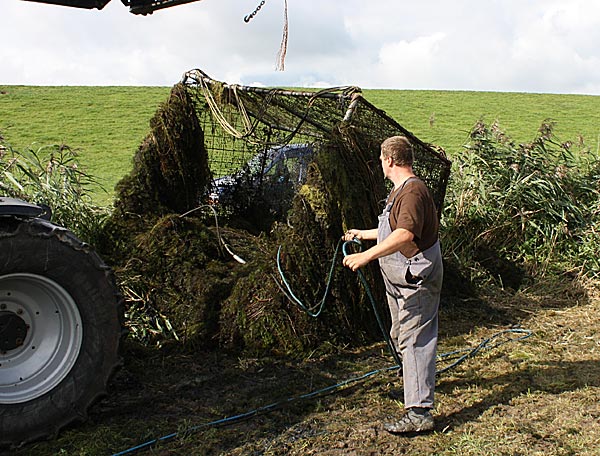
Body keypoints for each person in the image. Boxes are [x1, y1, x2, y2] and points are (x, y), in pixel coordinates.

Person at [342, 135, 443, 434]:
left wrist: (366, 256)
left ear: (389, 160)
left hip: (415, 279)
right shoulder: (399, 190)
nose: (380, 164)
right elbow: (392, 228)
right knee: (400, 334)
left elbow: (405, 235)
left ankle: (419, 412)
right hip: (399, 280)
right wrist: (363, 234)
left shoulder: (412, 192)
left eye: (381, 159)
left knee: (414, 339)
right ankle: (415, 385)